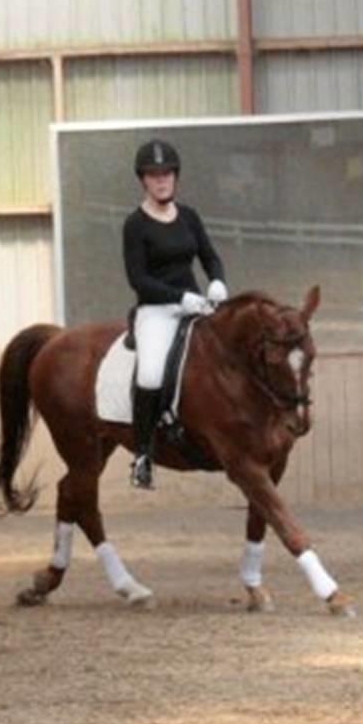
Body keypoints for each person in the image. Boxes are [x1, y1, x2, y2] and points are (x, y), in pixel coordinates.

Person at [122, 139, 229, 490]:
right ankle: (142, 455)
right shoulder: (135, 225)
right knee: (151, 374)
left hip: (195, 305)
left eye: (166, 173)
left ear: (175, 176)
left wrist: (216, 281)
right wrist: (179, 297)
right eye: (153, 175)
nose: (161, 180)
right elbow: (138, 279)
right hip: (157, 311)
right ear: (144, 181)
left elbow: (210, 256)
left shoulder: (189, 216)